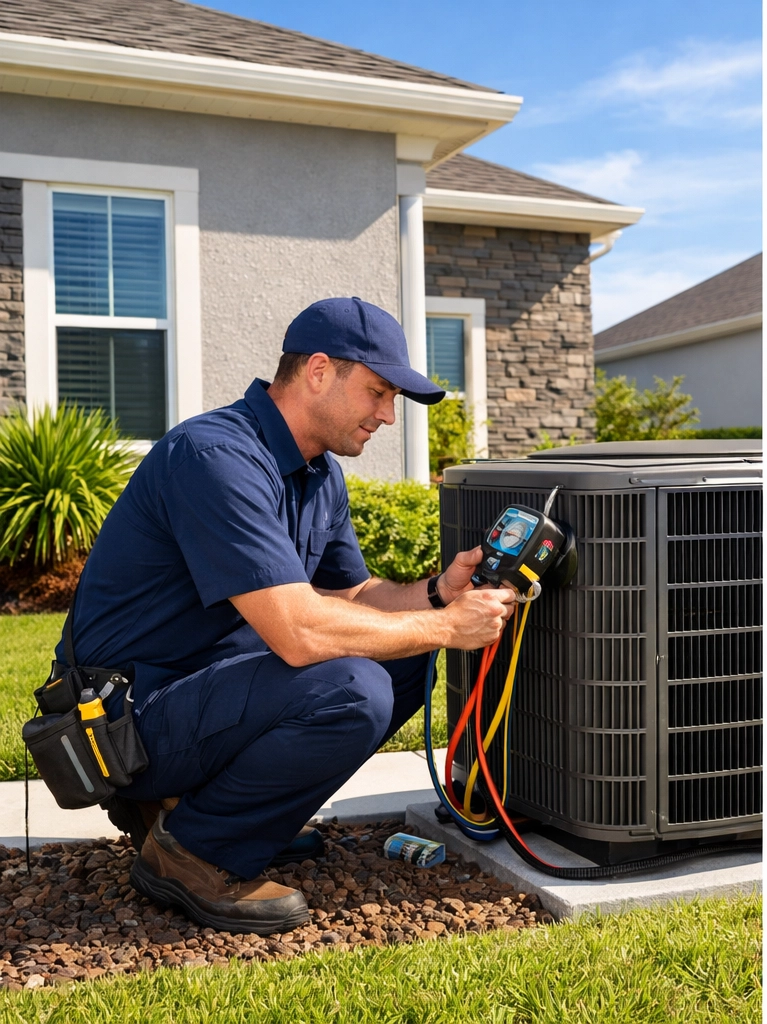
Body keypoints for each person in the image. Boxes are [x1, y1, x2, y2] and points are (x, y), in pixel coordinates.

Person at [62, 297, 519, 935]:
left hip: (203, 689)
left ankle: (228, 815)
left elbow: (353, 596)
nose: (388, 415)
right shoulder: (214, 456)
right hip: (123, 720)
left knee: (405, 660)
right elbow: (301, 633)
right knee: (354, 686)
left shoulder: (315, 471)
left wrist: (439, 595)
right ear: (320, 371)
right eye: (379, 392)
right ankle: (193, 850)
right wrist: (447, 627)